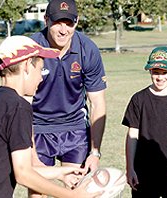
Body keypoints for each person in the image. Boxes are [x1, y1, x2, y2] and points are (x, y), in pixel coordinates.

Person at [0, 35, 102, 198]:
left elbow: (14, 164)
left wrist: (59, 172)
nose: (41, 78)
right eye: (40, 69)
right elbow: (23, 174)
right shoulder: (18, 106)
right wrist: (74, 195)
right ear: (27, 66)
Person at [30, 0, 106, 180]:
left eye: (69, 23)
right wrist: (31, 152)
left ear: (77, 22)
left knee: (76, 186)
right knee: (38, 190)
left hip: (75, 129)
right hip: (38, 128)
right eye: (57, 22)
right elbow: (20, 103)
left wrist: (95, 152)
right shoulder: (31, 48)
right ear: (46, 20)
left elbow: (97, 103)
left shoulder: (87, 49)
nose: (63, 30)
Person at [122, 46, 167, 197]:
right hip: (143, 171)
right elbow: (132, 135)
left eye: (165, 72)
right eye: (156, 72)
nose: (160, 77)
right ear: (149, 71)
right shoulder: (138, 99)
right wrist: (130, 168)